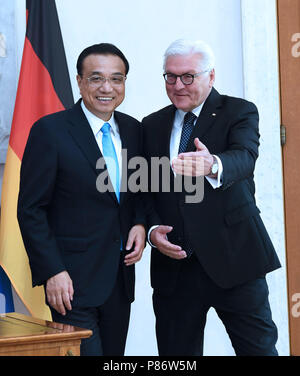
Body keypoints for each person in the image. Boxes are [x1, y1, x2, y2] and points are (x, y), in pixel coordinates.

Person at [142, 39, 281, 356]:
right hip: (175, 268)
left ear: (211, 76)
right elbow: (145, 190)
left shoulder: (239, 112)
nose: (178, 85)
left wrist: (214, 164)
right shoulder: (151, 125)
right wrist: (151, 232)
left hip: (235, 259)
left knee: (258, 351)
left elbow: (245, 158)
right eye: (170, 76)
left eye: (188, 76)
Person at [17, 43, 146, 356]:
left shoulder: (134, 130)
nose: (107, 88)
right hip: (70, 283)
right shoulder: (50, 131)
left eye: (117, 79)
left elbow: (140, 190)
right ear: (79, 81)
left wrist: (141, 223)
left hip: (119, 279)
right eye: (96, 78)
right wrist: (52, 271)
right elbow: (31, 210)